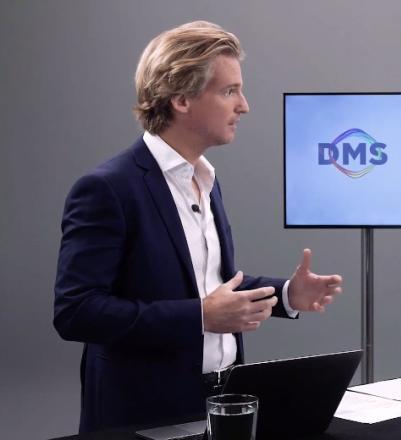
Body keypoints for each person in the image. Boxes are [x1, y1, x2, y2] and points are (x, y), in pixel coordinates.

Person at [53, 21, 343, 433]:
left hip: (220, 401)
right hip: (143, 413)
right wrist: (200, 317)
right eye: (229, 91)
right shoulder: (108, 188)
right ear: (181, 99)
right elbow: (76, 312)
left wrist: (286, 294)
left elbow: (208, 284)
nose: (244, 106)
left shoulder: (206, 180)